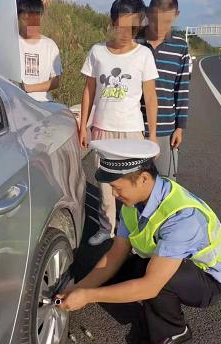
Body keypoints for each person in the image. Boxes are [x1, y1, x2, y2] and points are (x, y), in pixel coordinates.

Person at [58, 139, 221, 344]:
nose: (113, 194)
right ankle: (148, 302)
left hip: (208, 279)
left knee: (158, 283)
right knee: (117, 277)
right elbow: (115, 254)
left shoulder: (182, 218)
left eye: (117, 187)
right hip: (168, 259)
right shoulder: (134, 202)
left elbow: (150, 285)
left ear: (142, 178)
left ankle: (174, 331)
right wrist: (81, 287)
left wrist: (89, 296)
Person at [78, 0, 159, 246]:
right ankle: (106, 228)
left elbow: (150, 95)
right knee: (105, 185)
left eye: (132, 28)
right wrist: (83, 125)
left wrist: (152, 135)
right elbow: (89, 91)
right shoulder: (97, 52)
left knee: (134, 185)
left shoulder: (143, 54)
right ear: (112, 23)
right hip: (103, 130)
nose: (125, 34)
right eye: (121, 27)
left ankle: (134, 233)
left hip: (132, 131)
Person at [139, 0, 190, 178]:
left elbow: (182, 89)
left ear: (176, 15)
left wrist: (180, 127)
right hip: (133, 128)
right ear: (147, 13)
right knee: (133, 183)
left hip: (166, 129)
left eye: (167, 22)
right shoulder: (133, 42)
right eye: (155, 21)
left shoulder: (180, 47)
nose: (160, 27)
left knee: (165, 183)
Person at [16, 0, 62, 102]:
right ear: (18, 17)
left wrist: (27, 88)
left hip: (42, 105)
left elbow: (55, 82)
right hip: (15, 102)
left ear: (41, 17)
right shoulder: (11, 42)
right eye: (25, 19)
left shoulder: (50, 46)